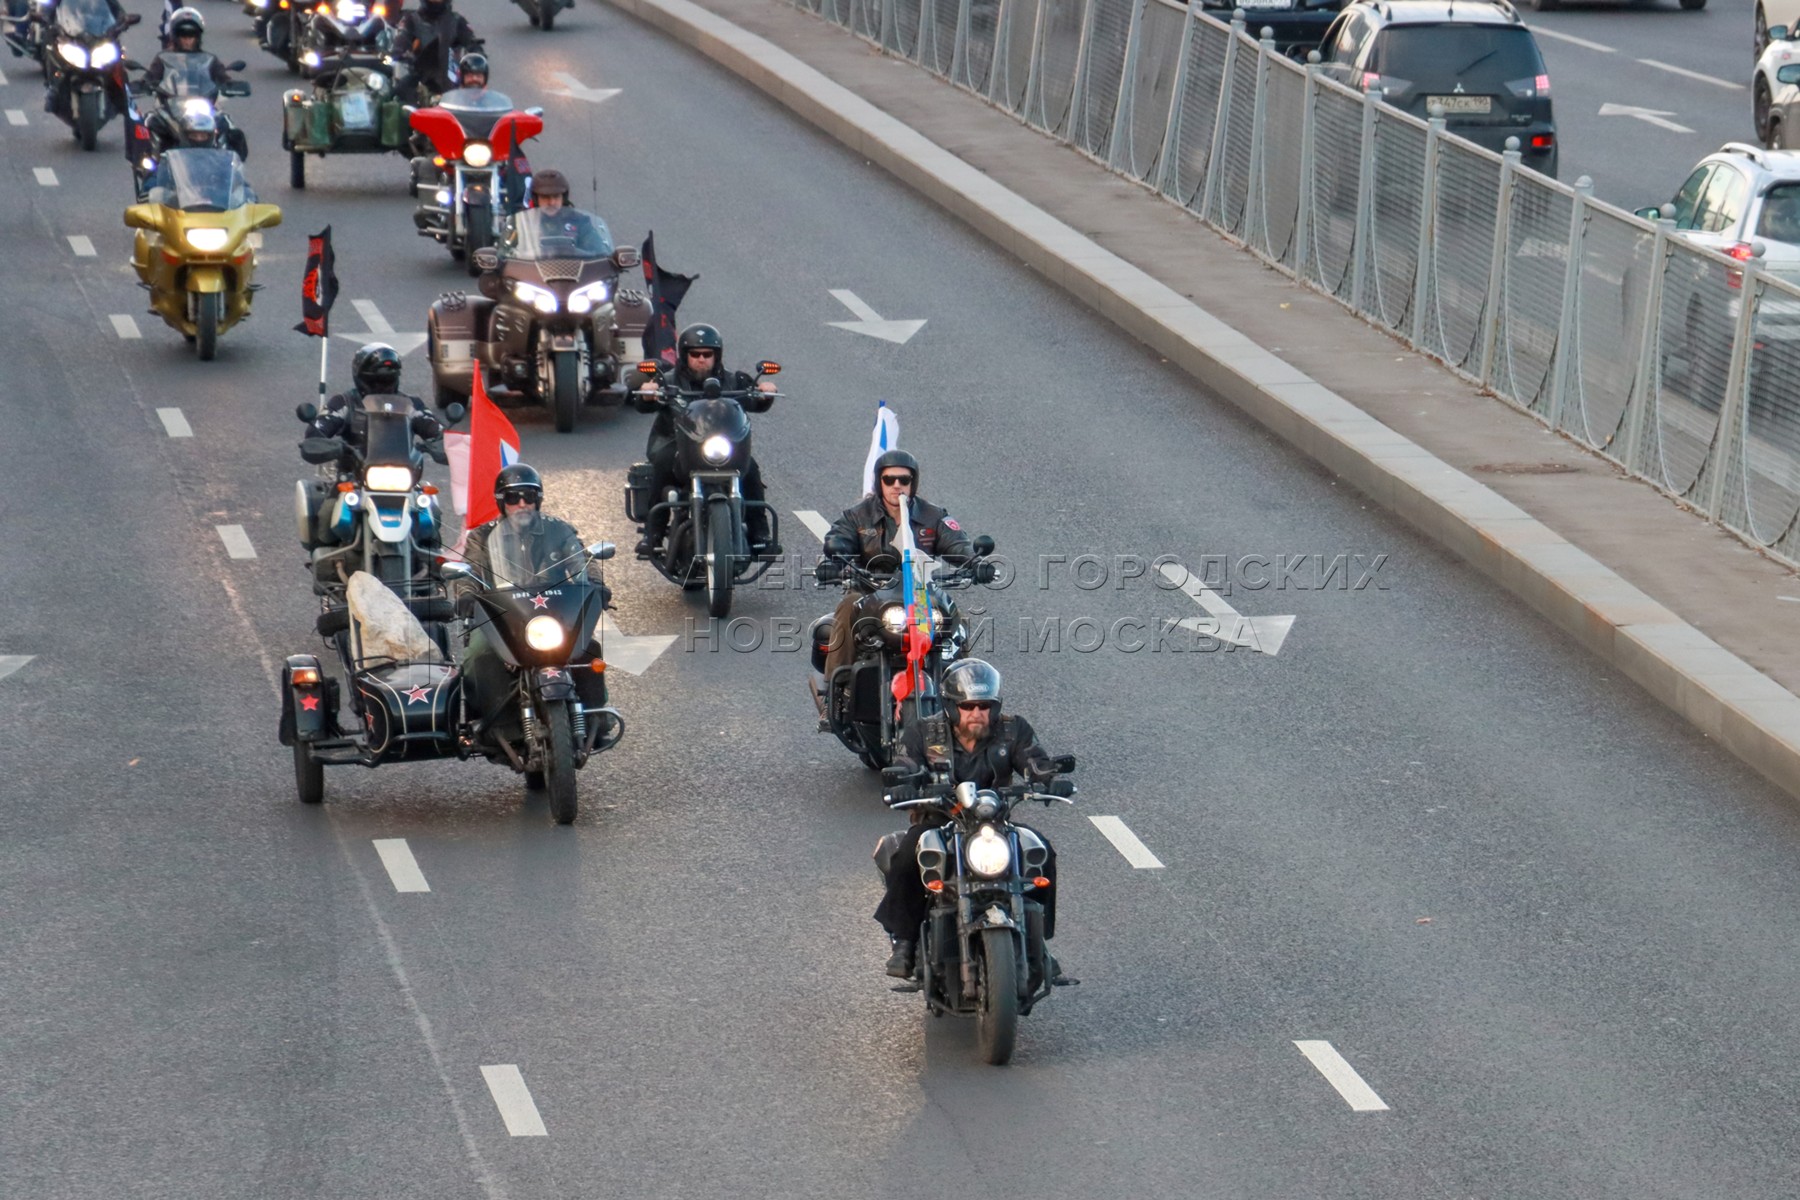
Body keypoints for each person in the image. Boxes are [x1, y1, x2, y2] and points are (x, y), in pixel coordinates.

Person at [874, 660, 1069, 980]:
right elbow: (905, 763)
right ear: (952, 707)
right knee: (908, 856)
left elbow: (1035, 761)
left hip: (995, 826)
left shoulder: (1012, 729)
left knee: (1041, 852)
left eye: (984, 706)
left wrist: (1048, 779)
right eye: (968, 706)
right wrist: (904, 782)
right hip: (939, 821)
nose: (977, 712)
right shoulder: (925, 731)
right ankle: (905, 942)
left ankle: (1038, 942)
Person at [455, 464, 611, 720]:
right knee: (479, 654)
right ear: (501, 502)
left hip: (555, 610)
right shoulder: (481, 537)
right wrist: (466, 593)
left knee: (588, 646)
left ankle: (596, 717)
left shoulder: (559, 530)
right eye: (513, 498)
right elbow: (469, 568)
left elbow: (581, 560)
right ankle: (492, 722)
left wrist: (597, 584)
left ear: (538, 500)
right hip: (503, 614)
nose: (522, 504)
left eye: (529, 496)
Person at [624, 323, 781, 557]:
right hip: (677, 446)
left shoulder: (733, 380)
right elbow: (642, 405)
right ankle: (653, 534)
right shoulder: (667, 381)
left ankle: (760, 534)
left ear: (716, 356)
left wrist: (764, 391)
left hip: (721, 448)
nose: (701, 359)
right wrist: (648, 394)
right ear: (684, 355)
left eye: (707, 354)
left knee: (751, 469)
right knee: (662, 465)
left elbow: (755, 400)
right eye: (695, 354)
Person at [816, 449, 972, 683]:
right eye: (889, 479)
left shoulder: (933, 516)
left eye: (904, 480)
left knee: (955, 616)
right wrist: (834, 561)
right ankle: (836, 690)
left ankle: (962, 692)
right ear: (880, 482)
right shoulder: (857, 516)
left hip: (920, 592)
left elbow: (958, 544)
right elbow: (840, 539)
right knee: (847, 607)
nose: (896, 485)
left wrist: (975, 562)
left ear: (913, 482)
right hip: (869, 591)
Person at [499, 170, 612, 258]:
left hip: (574, 278)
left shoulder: (579, 221)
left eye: (556, 197)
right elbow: (504, 254)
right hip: (532, 279)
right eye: (545, 197)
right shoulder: (521, 222)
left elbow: (599, 251)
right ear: (536, 198)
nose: (551, 202)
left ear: (564, 197)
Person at [395, 0, 480, 98]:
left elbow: (472, 43)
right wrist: (402, 54)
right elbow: (401, 41)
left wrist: (478, 54)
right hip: (419, 79)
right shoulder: (411, 20)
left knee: (476, 92)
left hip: (451, 80)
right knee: (396, 95)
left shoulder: (457, 21)